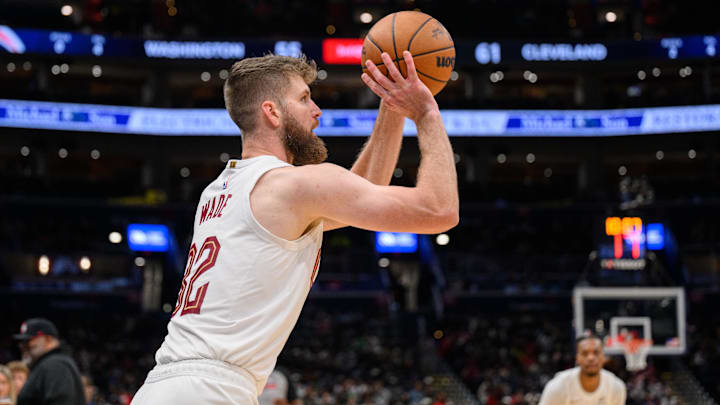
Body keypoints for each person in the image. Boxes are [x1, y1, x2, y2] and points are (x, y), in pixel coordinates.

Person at [131, 50, 458, 405]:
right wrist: (426, 114)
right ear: (272, 112)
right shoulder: (289, 186)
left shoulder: (221, 190)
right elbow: (439, 210)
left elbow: (356, 197)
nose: (317, 111)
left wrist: (391, 109)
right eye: (304, 99)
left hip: (165, 385)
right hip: (209, 392)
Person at [13, 318, 85, 405]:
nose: (23, 346)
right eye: (22, 342)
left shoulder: (56, 365)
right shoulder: (48, 363)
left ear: (48, 340)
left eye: (28, 341)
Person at [539, 335, 626, 405]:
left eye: (596, 353)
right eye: (585, 353)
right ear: (577, 358)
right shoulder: (558, 386)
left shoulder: (616, 387)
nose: (591, 358)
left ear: (603, 357)